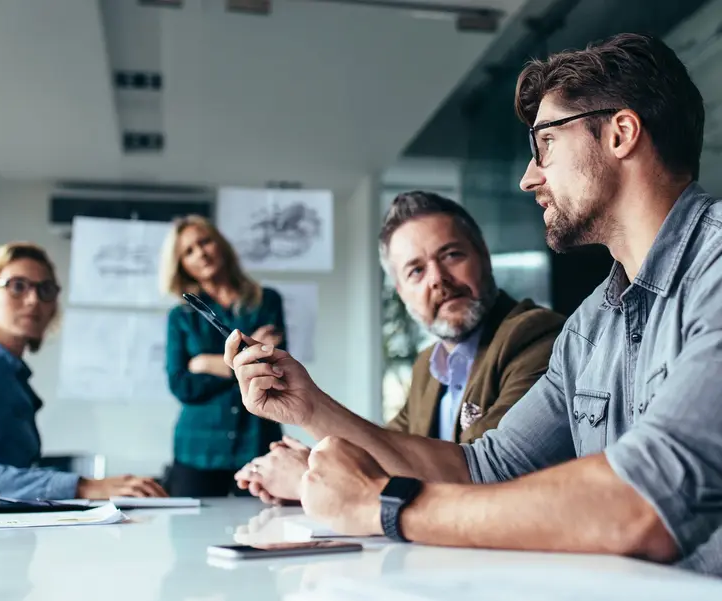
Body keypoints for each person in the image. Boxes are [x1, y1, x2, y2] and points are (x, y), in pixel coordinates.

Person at [223, 33, 722, 574]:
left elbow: (644, 502)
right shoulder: (591, 328)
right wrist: (310, 408)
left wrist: (385, 506)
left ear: (621, 133)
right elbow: (484, 467)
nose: (529, 176)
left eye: (545, 145)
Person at [234, 192, 565, 504]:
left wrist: (309, 476)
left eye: (451, 255)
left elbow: (479, 476)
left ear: (483, 257)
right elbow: (388, 450)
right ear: (401, 291)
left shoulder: (535, 336)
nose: (437, 279)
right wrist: (316, 459)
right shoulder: (429, 365)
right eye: (416, 270)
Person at [0, 242, 167, 500]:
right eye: (17, 286)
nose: (34, 300)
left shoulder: (4, 373)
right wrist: (83, 486)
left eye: (46, 290)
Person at [160, 215, 286, 497]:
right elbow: (181, 384)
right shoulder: (180, 317)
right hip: (198, 449)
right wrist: (241, 365)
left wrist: (206, 363)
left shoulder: (267, 302)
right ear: (181, 265)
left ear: (220, 245)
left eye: (205, 242)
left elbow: (272, 369)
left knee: (262, 530)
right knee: (190, 536)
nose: (201, 253)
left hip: (256, 441)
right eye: (188, 251)